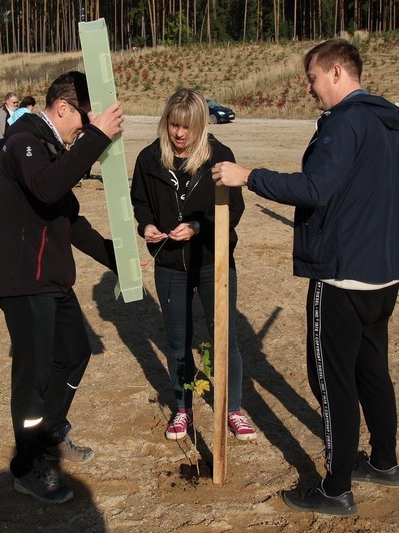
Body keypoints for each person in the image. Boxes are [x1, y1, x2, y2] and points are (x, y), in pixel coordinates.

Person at [212, 38, 399, 516]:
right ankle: (385, 462)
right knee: (372, 369)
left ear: (336, 73)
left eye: (311, 78)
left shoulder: (347, 122)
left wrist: (248, 175)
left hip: (344, 274)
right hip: (384, 274)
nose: (308, 88)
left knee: (332, 380)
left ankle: (335, 488)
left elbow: (315, 188)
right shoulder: (388, 122)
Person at [0, 71, 124, 504]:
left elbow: (69, 217)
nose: (84, 129)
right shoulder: (22, 141)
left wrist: (118, 259)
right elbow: (47, 189)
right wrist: (97, 137)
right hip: (24, 282)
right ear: (63, 107)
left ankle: (48, 433)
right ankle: (26, 466)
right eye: (83, 120)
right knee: (33, 378)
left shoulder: (50, 147)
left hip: (51, 279)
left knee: (74, 352)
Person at [130, 89, 257, 442]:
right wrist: (146, 227)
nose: (179, 134)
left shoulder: (220, 157)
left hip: (212, 261)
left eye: (187, 127)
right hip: (169, 263)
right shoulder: (149, 159)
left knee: (223, 338)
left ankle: (233, 409)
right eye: (173, 125)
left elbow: (235, 209)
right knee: (177, 341)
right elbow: (140, 201)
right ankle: (182, 409)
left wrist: (201, 227)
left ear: (200, 126)